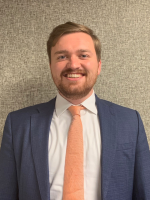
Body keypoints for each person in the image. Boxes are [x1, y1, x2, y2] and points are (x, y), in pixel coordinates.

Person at [0, 22, 150, 200]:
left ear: (99, 65)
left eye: (83, 55)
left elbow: (144, 193)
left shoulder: (130, 122)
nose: (73, 64)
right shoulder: (17, 124)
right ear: (50, 65)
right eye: (62, 56)